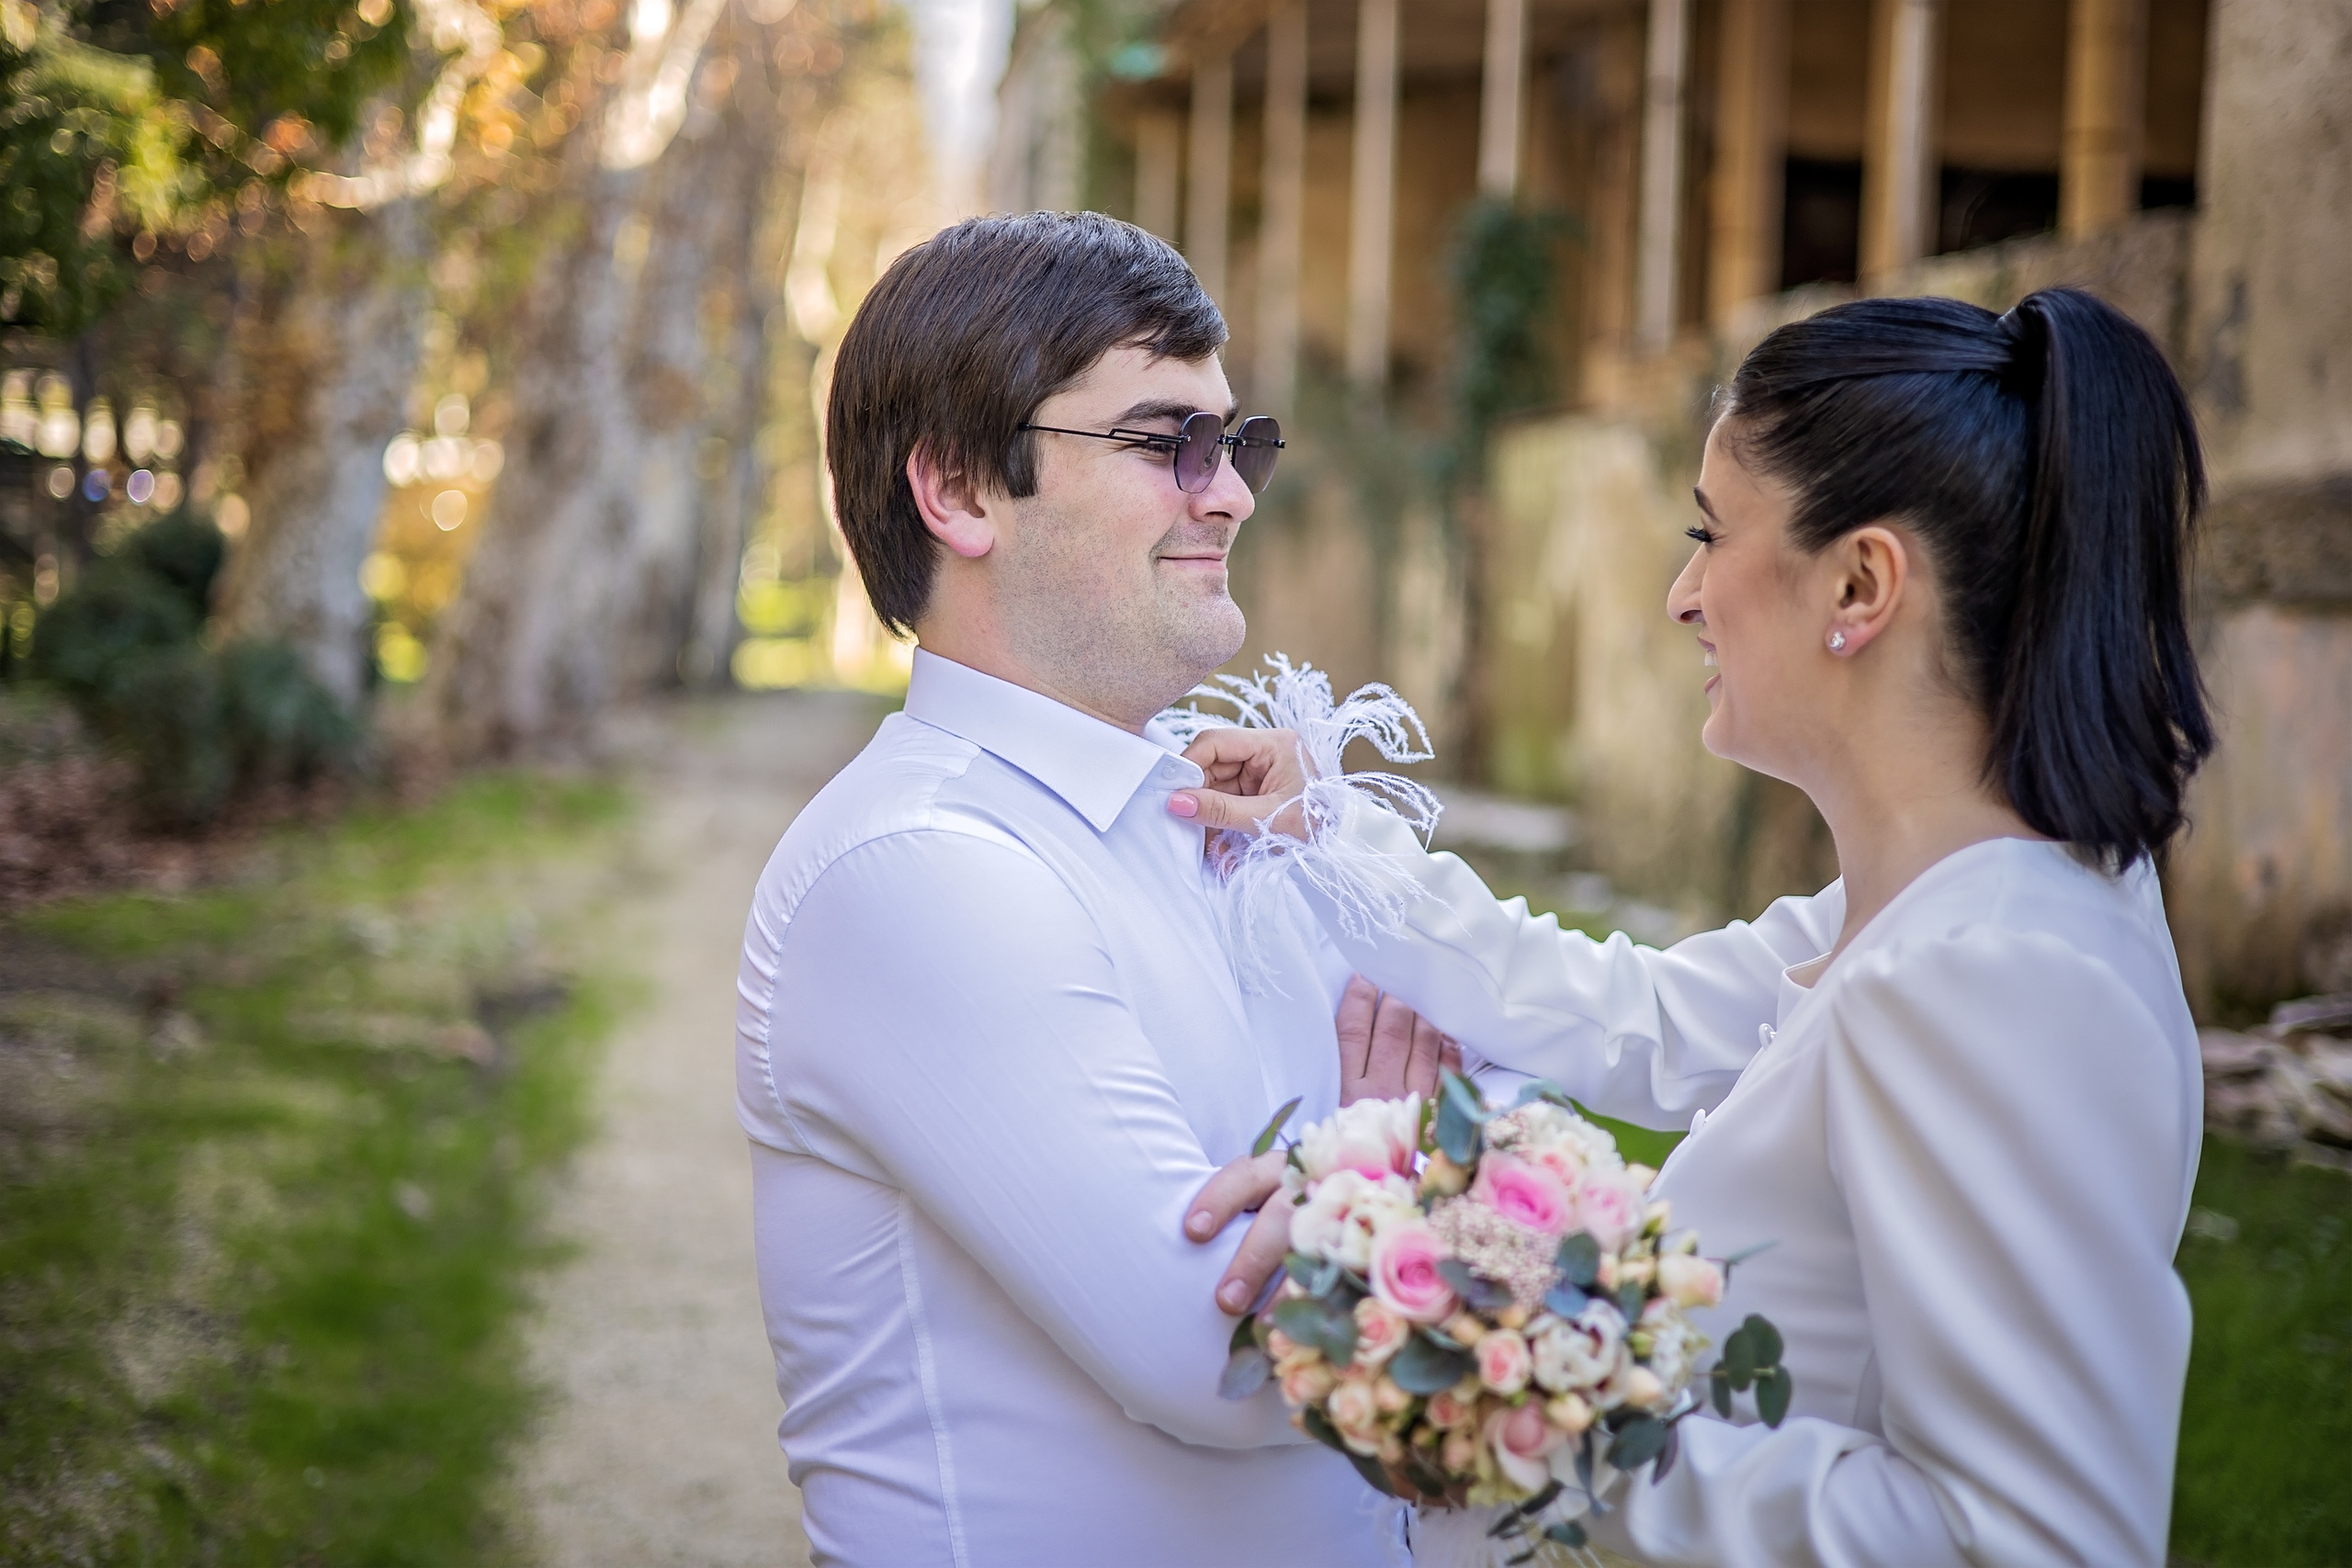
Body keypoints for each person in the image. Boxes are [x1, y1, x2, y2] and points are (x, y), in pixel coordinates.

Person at [1173, 288, 2211, 1566]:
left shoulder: (1993, 975)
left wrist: (1516, 1391)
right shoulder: (1933, 902)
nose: (1681, 596)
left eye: (1711, 534)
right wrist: (1327, 827)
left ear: (1861, 581)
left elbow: (2030, 1541)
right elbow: (1634, 1014)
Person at [733, 210, 1447, 1567]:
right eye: (1166, 440)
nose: (1230, 491)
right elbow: (1225, 1353)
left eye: (1237, 442)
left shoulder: (1251, 810)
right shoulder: (916, 868)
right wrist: (1414, 1161)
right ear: (958, 490)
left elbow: (1524, 1074)